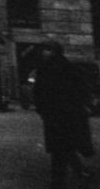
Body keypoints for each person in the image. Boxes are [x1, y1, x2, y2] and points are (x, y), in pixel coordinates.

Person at [34, 40, 94, 188]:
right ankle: (80, 175)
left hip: (55, 115)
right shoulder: (71, 67)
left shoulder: (46, 69)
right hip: (71, 115)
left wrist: (42, 110)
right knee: (65, 148)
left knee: (59, 149)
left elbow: (39, 93)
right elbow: (83, 89)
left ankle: (60, 182)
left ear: (52, 52)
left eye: (47, 50)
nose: (44, 53)